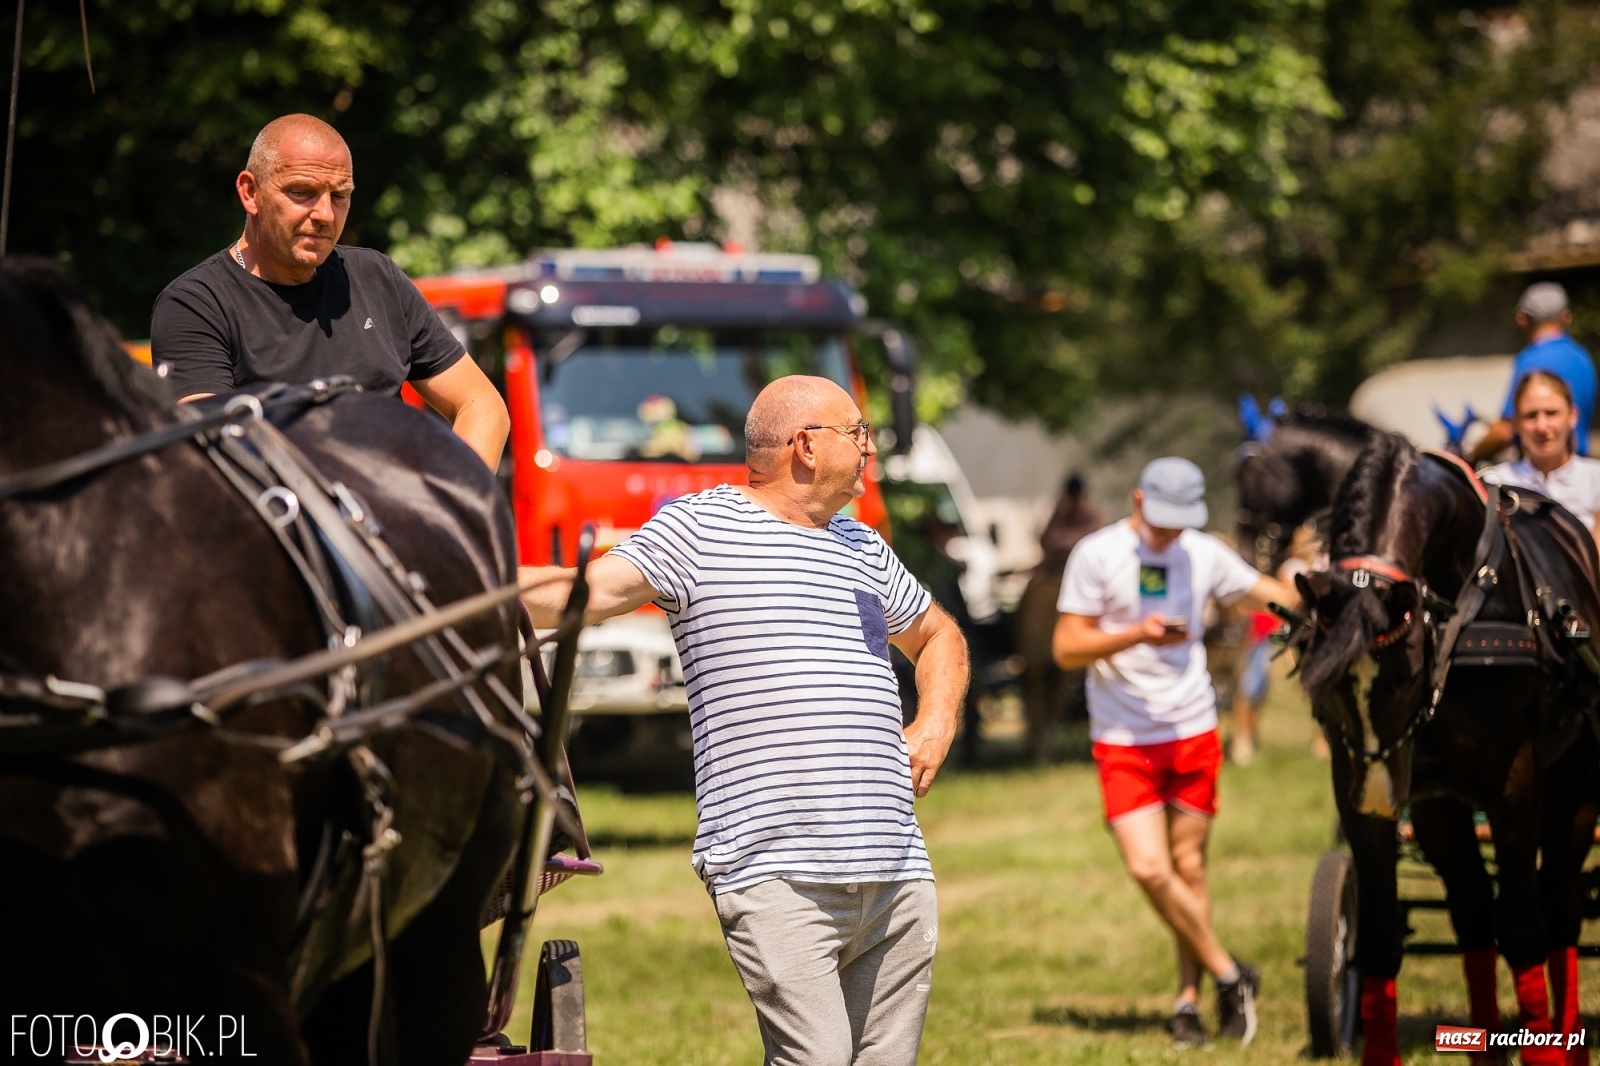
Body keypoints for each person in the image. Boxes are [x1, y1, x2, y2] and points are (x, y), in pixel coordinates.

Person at [520, 375, 969, 1066]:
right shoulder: (701, 529)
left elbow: (938, 636)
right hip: (776, 871)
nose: (869, 448)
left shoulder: (863, 546)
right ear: (806, 446)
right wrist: (446, 580)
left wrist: (935, 721)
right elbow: (581, 593)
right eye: (857, 432)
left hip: (896, 869)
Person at [1051, 457, 1299, 1048]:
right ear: (1137, 500)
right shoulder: (1097, 554)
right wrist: (1136, 633)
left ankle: (1188, 1001)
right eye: (1160, 520)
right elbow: (1066, 647)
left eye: (1179, 523)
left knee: (1189, 870)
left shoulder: (1202, 552)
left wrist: (1307, 585)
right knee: (1148, 868)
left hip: (1191, 730)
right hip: (1123, 738)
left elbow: (1270, 596)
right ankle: (1230, 973)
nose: (1168, 534)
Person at [150, 113, 509, 470]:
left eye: (340, 196)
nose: (325, 214)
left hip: (400, 502)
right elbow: (208, 456)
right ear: (250, 192)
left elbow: (481, 405)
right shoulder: (195, 305)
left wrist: (453, 496)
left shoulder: (376, 278)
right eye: (301, 192)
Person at [1469, 282, 1596, 463]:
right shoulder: (1583, 358)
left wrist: (1471, 455)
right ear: (1566, 317)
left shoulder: (1530, 361)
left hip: (1540, 470)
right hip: (1579, 464)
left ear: (1522, 318)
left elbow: (1505, 430)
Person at [1480, 370, 1600, 538]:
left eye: (1551, 413)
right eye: (1531, 415)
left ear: (1572, 416)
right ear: (1516, 423)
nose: (1541, 427)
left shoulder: (1595, 480)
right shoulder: (1494, 483)